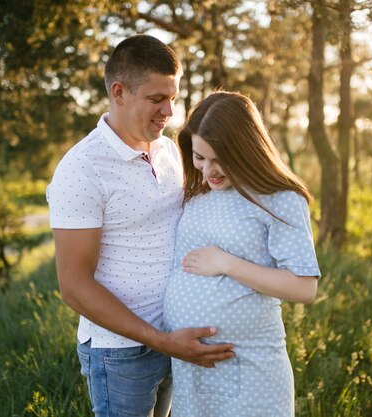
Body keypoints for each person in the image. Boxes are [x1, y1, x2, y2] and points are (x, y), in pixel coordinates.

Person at [46, 35, 234, 417]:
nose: (168, 111)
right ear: (118, 92)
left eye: (173, 98)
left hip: (177, 337)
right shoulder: (82, 169)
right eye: (156, 99)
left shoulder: (169, 150)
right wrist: (162, 341)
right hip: (121, 355)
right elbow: (74, 287)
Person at [163, 91, 320, 417]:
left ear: (246, 150)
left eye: (220, 158)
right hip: (190, 367)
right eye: (200, 157)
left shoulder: (280, 198)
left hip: (248, 368)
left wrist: (226, 263)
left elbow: (304, 287)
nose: (209, 170)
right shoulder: (198, 195)